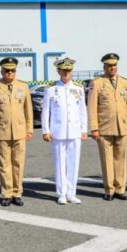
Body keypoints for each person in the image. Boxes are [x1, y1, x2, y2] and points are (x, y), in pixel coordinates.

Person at [88, 53, 127, 201]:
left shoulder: (125, 83)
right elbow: (92, 107)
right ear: (104, 67)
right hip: (104, 128)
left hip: (122, 127)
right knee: (107, 160)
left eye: (114, 65)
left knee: (120, 159)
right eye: (109, 66)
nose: (112, 68)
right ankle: (109, 190)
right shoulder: (97, 83)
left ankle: (120, 188)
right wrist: (94, 128)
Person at [0, 57, 33, 207]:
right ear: (2, 71)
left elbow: (28, 110)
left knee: (18, 163)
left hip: (19, 131)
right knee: (4, 164)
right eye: (7, 70)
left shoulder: (23, 87)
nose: (10, 73)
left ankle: (17, 193)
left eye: (12, 70)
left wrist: (29, 128)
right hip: (2, 131)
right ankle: (6, 193)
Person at [41, 58, 88, 205]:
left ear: (72, 71)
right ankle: (61, 193)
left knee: (74, 163)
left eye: (69, 70)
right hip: (58, 132)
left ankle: (72, 193)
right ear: (58, 71)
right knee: (60, 163)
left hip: (75, 131)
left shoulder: (79, 89)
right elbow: (45, 112)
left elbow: (82, 111)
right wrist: (45, 130)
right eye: (63, 70)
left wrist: (84, 129)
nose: (66, 73)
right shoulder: (51, 89)